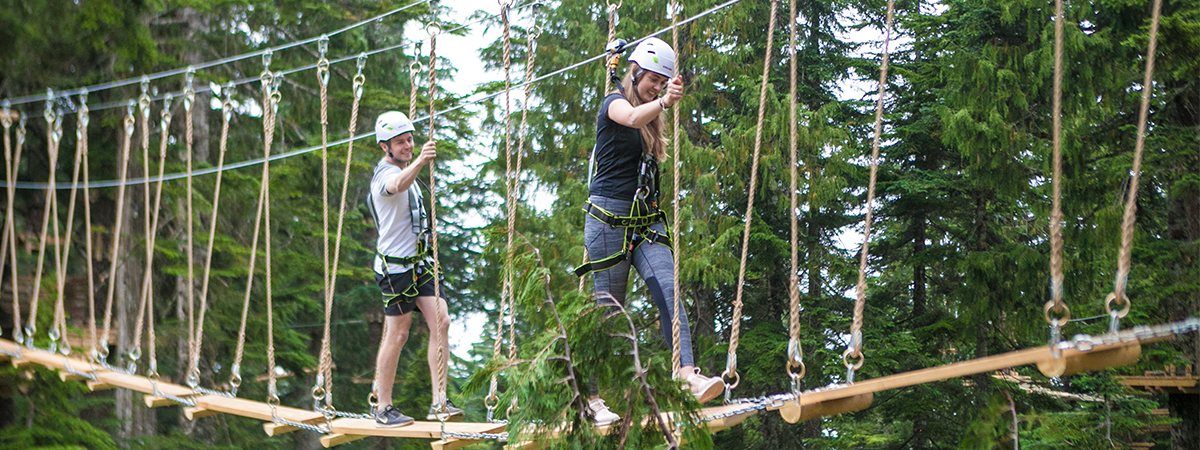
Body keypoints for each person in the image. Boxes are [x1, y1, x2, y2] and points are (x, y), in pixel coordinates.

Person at [574, 38, 724, 426]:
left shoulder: (652, 120)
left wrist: (659, 106)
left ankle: (686, 374)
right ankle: (590, 399)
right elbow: (630, 117)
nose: (656, 87)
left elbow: (646, 119)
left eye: (663, 82)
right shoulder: (614, 103)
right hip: (608, 220)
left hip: (645, 220)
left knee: (669, 290)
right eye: (653, 80)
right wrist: (663, 103)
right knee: (608, 314)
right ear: (635, 72)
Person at [369, 111, 463, 427]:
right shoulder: (384, 175)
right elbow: (396, 184)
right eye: (400, 142)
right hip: (395, 269)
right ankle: (383, 406)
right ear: (386, 147)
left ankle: (439, 401)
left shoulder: (405, 167)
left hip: (420, 262)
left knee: (442, 320)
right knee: (399, 333)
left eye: (410, 139)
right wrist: (421, 161)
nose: (408, 145)